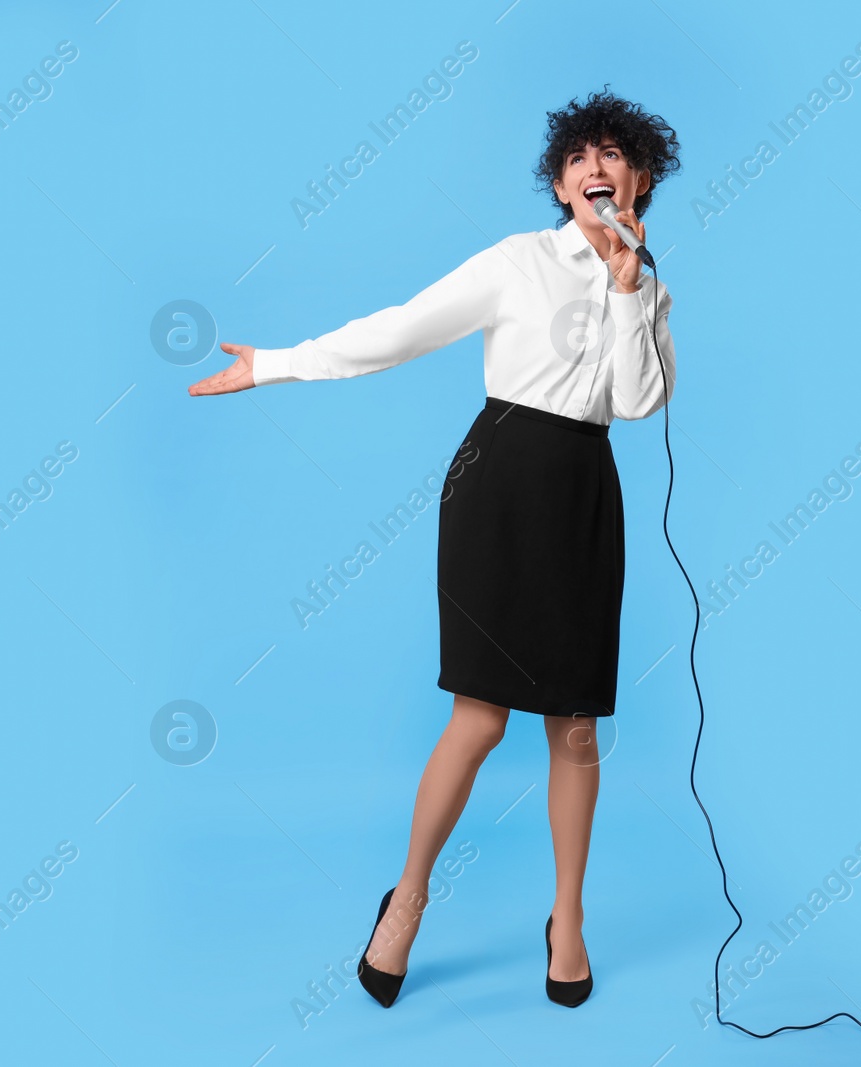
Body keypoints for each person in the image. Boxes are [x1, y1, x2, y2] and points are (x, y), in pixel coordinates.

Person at [188, 87, 682, 1010]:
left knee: (573, 723)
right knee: (481, 716)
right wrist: (277, 363)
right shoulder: (516, 262)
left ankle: (566, 919)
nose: (593, 167)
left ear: (641, 179)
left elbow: (641, 400)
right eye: (578, 156)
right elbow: (399, 331)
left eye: (612, 154)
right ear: (561, 181)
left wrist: (626, 292)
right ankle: (407, 898)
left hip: (584, 491)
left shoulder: (648, 286)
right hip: (497, 487)